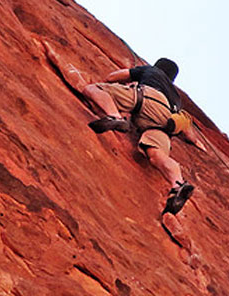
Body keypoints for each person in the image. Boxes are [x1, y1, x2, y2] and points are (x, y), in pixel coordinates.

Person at [82, 58, 198, 215]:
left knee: (92, 89)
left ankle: (115, 116)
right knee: (157, 155)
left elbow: (113, 77)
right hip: (164, 120)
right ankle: (178, 184)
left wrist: (130, 78)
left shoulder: (151, 71)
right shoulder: (176, 97)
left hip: (145, 98)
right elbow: (189, 134)